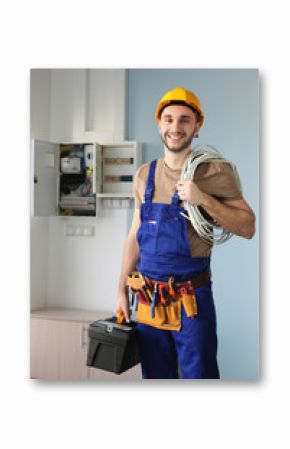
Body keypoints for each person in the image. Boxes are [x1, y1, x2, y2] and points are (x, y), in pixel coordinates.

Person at [114, 86, 255, 379]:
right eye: (168, 119)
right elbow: (134, 236)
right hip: (148, 299)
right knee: (156, 378)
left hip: (192, 300)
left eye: (184, 120)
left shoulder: (214, 172)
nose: (175, 127)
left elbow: (247, 226)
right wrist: (121, 290)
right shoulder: (144, 175)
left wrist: (203, 198)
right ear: (159, 124)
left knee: (199, 378)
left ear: (197, 126)